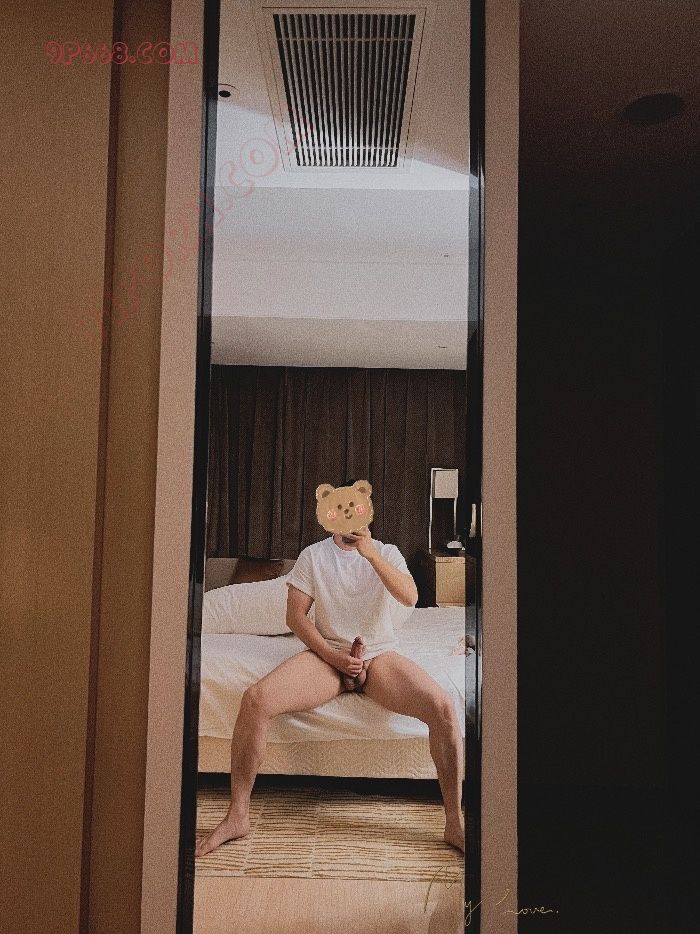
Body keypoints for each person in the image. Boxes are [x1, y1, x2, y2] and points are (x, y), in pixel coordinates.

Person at [195, 507, 465, 858]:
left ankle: (454, 823)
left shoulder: (386, 552)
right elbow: (295, 616)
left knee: (443, 707)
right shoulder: (314, 555)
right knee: (255, 699)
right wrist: (333, 656)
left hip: (377, 656)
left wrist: (370, 555)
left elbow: (410, 597)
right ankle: (237, 816)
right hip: (327, 658)